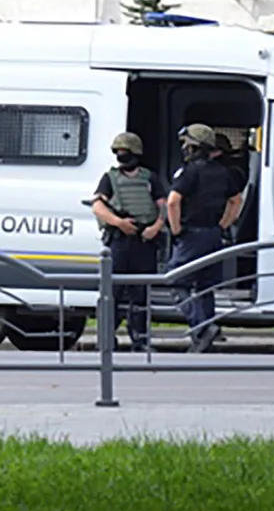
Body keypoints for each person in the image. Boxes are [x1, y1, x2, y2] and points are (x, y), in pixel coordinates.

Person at [166, 123, 244, 353]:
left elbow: (173, 201)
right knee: (205, 287)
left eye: (185, 144)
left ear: (193, 147)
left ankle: (201, 329)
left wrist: (176, 228)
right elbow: (236, 200)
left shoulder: (189, 172)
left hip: (192, 236)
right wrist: (223, 224)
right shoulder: (223, 172)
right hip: (213, 235)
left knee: (176, 281)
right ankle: (206, 334)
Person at [90, 132, 168, 353]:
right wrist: (119, 222)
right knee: (112, 294)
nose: (122, 156)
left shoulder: (149, 178)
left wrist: (156, 227)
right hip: (120, 241)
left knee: (141, 295)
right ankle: (106, 339)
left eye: (126, 152)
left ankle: (140, 340)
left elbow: (162, 204)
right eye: (119, 152)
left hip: (144, 241)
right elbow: (98, 207)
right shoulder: (110, 179)